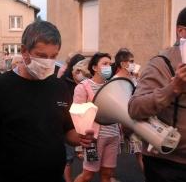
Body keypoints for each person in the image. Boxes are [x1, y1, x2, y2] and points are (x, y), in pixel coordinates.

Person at [0, 21, 94, 182]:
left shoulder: (59, 87)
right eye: (41, 56)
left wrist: (81, 137)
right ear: (24, 51)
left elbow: (67, 131)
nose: (48, 62)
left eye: (53, 56)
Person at [128, 7, 186, 182]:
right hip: (168, 164)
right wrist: (172, 89)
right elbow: (135, 108)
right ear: (182, 31)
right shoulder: (161, 63)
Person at [74, 52, 120, 182]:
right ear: (94, 68)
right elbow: (78, 113)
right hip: (93, 138)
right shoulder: (83, 87)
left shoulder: (113, 86)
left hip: (112, 135)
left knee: (107, 175)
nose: (108, 67)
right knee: (88, 174)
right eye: (104, 64)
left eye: (109, 64)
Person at [112, 51, 143, 181]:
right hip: (120, 121)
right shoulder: (115, 81)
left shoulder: (133, 78)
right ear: (123, 64)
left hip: (135, 119)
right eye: (131, 61)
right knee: (114, 152)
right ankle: (111, 177)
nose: (133, 64)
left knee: (141, 151)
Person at [60, 57, 91, 182]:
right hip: (67, 123)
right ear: (77, 71)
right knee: (68, 157)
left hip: (80, 123)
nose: (86, 78)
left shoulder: (83, 84)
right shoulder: (63, 83)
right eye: (85, 75)